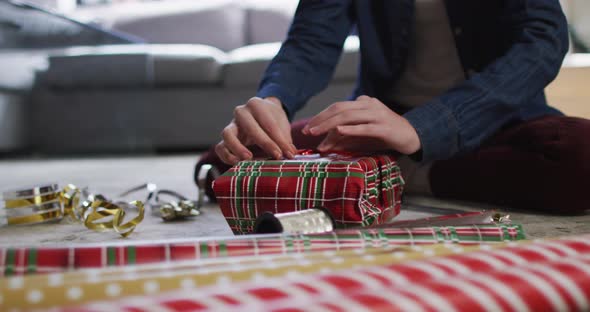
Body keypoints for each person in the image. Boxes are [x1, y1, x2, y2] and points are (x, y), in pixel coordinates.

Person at [196, 0, 590, 213]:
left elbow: (542, 41)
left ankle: (392, 172)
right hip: (377, 128)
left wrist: (424, 131)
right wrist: (273, 100)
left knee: (581, 156)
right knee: (233, 159)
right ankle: (380, 169)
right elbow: (312, 39)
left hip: (493, 121)